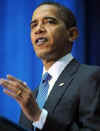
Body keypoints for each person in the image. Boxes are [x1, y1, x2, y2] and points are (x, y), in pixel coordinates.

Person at [0, 1, 100, 131]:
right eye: (33, 25)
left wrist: (39, 116)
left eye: (50, 22)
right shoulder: (33, 96)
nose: (38, 29)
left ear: (72, 34)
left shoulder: (90, 77)